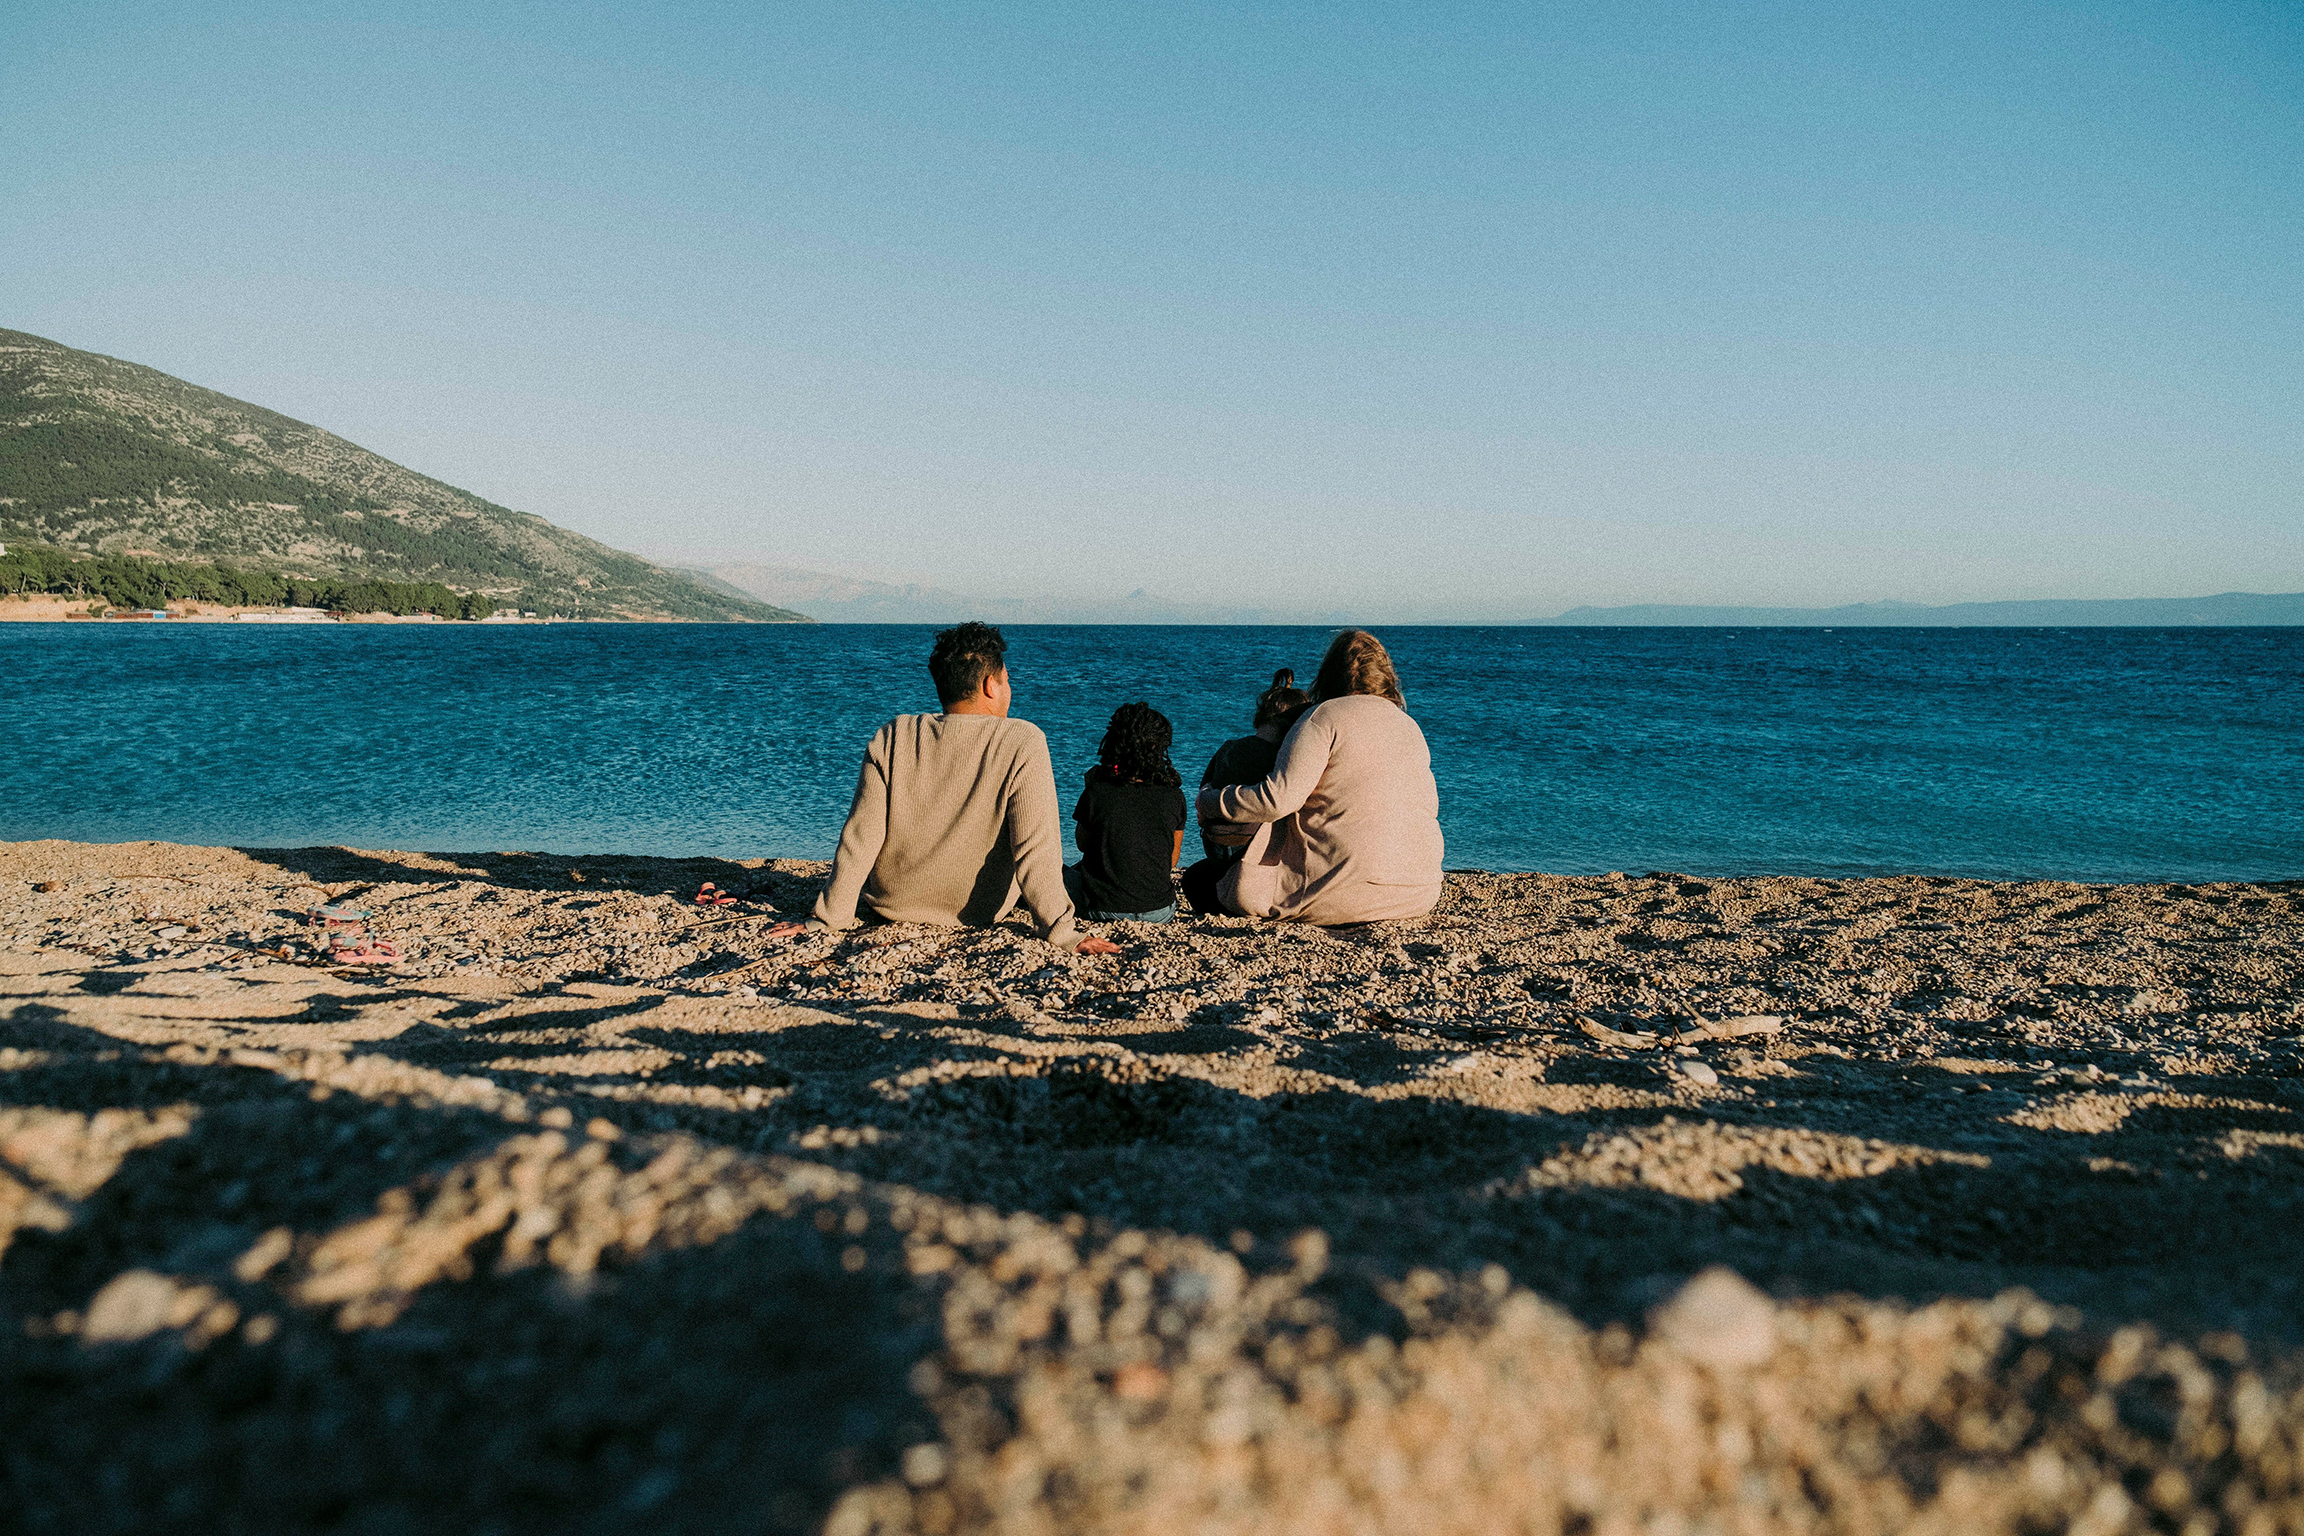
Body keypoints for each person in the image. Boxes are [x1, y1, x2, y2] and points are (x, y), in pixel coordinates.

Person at [808, 622, 1122, 954]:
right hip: (976, 912)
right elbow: (1036, 850)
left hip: (891, 904)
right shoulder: (1022, 740)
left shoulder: (894, 734)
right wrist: (1061, 933)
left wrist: (828, 918)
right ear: (991, 685)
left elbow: (861, 836)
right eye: (1007, 681)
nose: (1009, 689)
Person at [1181, 629, 1443, 925]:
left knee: (1198, 880)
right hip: (1417, 892)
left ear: (1328, 674)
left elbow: (1276, 799)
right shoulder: (1409, 726)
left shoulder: (1323, 717)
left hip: (1340, 897)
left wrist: (1212, 800)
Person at [1067, 702, 1188, 923]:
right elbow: (1171, 860)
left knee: (1056, 871)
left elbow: (1082, 844)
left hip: (1103, 909)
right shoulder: (1174, 795)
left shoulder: (1098, 791)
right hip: (1160, 911)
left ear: (1113, 744)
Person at [1196, 668, 1312, 859]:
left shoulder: (1228, 747)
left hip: (1213, 837)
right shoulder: (1281, 757)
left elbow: (1203, 792)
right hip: (1252, 840)